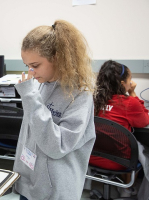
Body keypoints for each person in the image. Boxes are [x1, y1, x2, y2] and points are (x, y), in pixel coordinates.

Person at [13, 20, 96, 200]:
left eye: (35, 65)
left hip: (55, 192)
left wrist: (30, 98)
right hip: (30, 185)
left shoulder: (80, 95)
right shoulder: (41, 84)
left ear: (57, 58)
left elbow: (57, 146)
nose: (31, 72)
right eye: (27, 65)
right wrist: (19, 177)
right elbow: (28, 136)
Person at [90, 60, 149, 197]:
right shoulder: (129, 103)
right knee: (141, 148)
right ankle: (127, 190)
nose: (131, 82)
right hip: (120, 163)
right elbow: (144, 121)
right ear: (123, 84)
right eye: (130, 79)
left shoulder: (93, 99)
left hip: (91, 158)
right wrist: (133, 93)